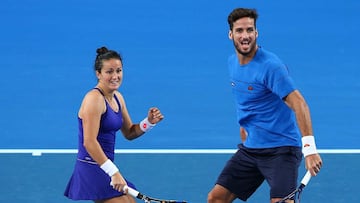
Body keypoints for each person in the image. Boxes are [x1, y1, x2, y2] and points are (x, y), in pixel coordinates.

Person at [207, 8, 323, 203]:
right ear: (230, 34)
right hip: (251, 148)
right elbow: (247, 96)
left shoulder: (271, 66)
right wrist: (244, 125)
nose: (245, 36)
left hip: (281, 150)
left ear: (256, 33)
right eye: (240, 31)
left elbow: (299, 103)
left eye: (249, 30)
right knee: (216, 199)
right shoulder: (232, 62)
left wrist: (310, 149)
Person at [64, 46, 164, 203]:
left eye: (118, 70)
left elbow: (130, 132)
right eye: (109, 72)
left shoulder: (118, 97)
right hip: (91, 166)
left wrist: (148, 123)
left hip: (106, 165)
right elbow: (89, 142)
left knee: (130, 201)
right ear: (98, 74)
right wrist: (113, 172)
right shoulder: (94, 99)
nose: (115, 76)